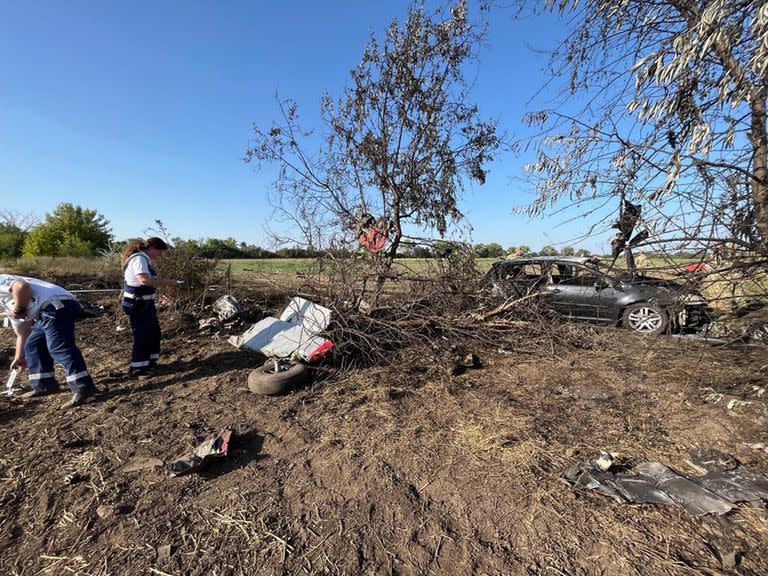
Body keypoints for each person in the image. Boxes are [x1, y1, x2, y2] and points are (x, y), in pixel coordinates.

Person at [0, 274, 98, 408]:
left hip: (55, 304)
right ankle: (44, 385)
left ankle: (84, 387)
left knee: (58, 347)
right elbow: (22, 333)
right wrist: (19, 356)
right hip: (47, 309)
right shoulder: (6, 302)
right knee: (33, 344)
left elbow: (21, 287)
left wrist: (19, 310)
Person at [120, 237, 179, 378]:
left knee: (154, 333)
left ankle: (150, 362)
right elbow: (144, 280)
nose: (160, 256)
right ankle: (138, 368)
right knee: (143, 335)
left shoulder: (144, 259)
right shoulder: (139, 259)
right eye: (159, 252)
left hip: (145, 303)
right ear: (152, 248)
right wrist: (167, 282)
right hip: (138, 304)